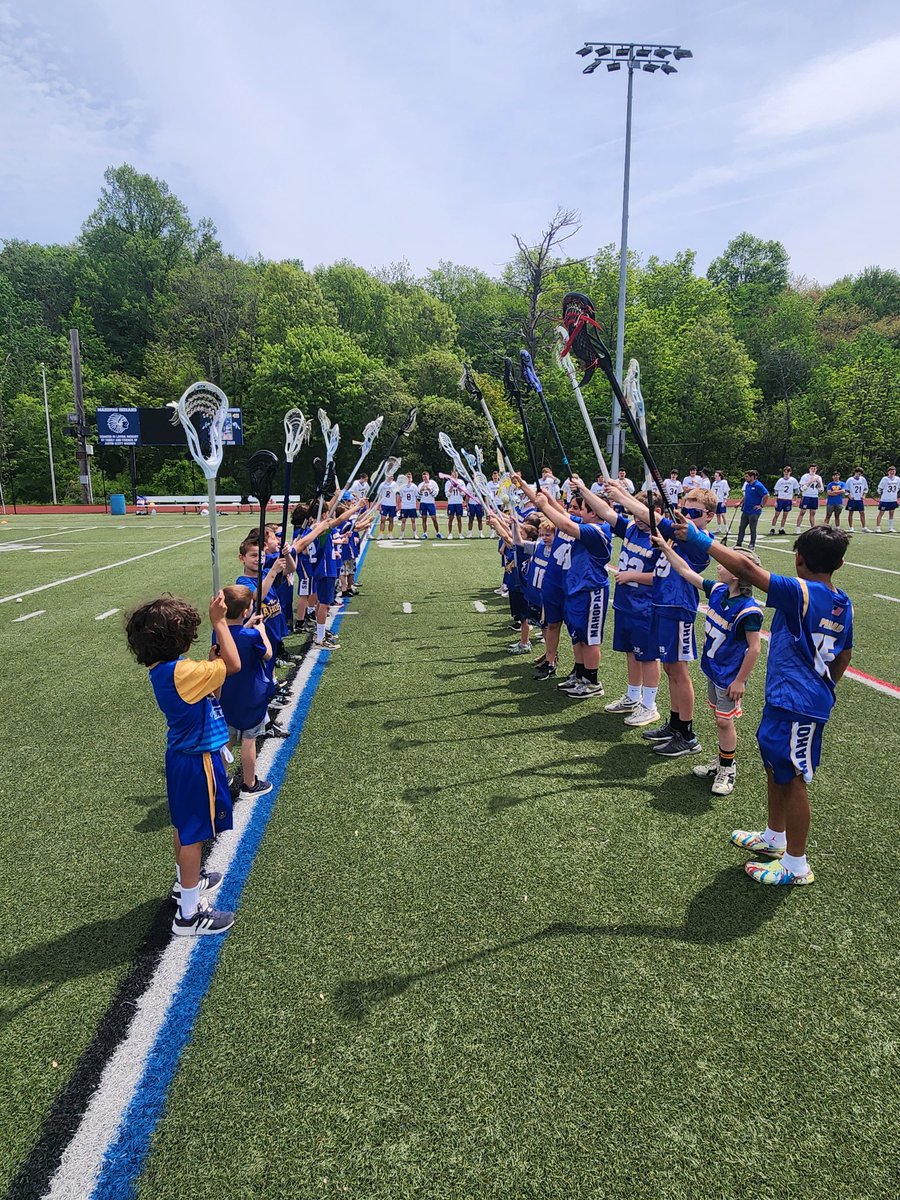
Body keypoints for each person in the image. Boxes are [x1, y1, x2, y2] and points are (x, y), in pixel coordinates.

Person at [675, 521, 853, 885]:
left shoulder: (802, 591)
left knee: (795, 778)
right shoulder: (840, 601)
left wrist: (697, 538)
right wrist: (827, 684)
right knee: (777, 769)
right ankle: (775, 837)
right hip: (788, 699)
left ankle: (797, 863)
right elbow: (844, 652)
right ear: (840, 563)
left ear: (798, 558)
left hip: (798, 704)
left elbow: (747, 570)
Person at [125, 592, 241, 935]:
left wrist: (209, 663)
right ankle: (188, 916)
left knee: (183, 828)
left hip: (182, 759)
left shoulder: (165, 670)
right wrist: (220, 622)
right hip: (196, 763)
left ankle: (186, 883)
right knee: (193, 836)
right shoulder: (183, 672)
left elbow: (211, 695)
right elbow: (234, 665)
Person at [609, 480, 717, 757]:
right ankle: (676, 723)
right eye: (683, 510)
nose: (686, 517)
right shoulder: (676, 532)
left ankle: (688, 735)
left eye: (694, 513)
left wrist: (621, 494)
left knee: (679, 672)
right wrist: (619, 494)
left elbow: (649, 514)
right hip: (660, 605)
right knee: (670, 670)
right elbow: (647, 515)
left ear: (709, 516)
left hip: (677, 608)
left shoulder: (698, 542)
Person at [651, 539, 763, 795]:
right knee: (719, 719)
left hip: (728, 676)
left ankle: (728, 768)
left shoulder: (748, 609)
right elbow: (686, 572)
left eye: (724, 563)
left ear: (737, 574)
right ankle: (723, 759)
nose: (718, 566)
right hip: (714, 669)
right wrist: (667, 549)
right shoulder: (719, 591)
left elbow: (754, 648)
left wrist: (740, 680)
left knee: (724, 722)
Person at [520, 473, 612, 699]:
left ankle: (592, 681)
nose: (574, 511)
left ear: (592, 511)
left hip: (591, 590)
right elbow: (555, 509)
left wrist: (545, 505)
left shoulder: (598, 530)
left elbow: (563, 523)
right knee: (578, 635)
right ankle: (580, 674)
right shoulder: (585, 523)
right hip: (576, 589)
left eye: (578, 508)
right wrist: (537, 495)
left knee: (589, 639)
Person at [597, 490, 662, 728]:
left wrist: (634, 575)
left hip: (645, 605)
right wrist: (582, 488)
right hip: (626, 602)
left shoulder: (659, 537)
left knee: (647, 656)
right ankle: (633, 696)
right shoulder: (632, 529)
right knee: (631, 652)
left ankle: (650, 705)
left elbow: (664, 577)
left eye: (641, 514)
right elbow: (605, 511)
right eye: (633, 514)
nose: (636, 519)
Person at [216, 585, 275, 801]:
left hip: (227, 695)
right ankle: (249, 784)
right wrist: (262, 632)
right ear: (245, 612)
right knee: (250, 738)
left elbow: (233, 638)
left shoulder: (218, 632)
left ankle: (219, 779)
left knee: (227, 740)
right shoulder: (252, 635)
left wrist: (248, 628)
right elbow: (267, 654)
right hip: (251, 696)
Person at [736, 469, 769, 550]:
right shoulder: (747, 485)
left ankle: (752, 544)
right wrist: (740, 503)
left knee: (752, 528)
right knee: (741, 527)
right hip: (746, 510)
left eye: (747, 476)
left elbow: (766, 495)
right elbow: (746, 496)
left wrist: (761, 505)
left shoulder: (758, 485)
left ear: (752, 477)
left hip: (754, 511)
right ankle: (738, 543)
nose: (745, 478)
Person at [769, 467, 800, 535]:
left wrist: (795, 500)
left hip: (788, 500)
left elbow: (797, 490)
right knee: (776, 514)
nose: (786, 473)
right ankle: (772, 528)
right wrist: (775, 501)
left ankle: (781, 528)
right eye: (785, 471)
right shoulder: (780, 480)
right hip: (780, 499)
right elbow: (776, 491)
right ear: (783, 472)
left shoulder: (793, 480)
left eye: (788, 471)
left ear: (790, 472)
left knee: (785, 515)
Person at [795, 465, 823, 531]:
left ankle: (813, 528)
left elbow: (821, 490)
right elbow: (802, 488)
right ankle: (798, 528)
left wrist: (818, 482)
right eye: (812, 468)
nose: (813, 470)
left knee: (813, 513)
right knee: (802, 512)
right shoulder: (805, 476)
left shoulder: (818, 477)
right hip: (806, 496)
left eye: (815, 468)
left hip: (814, 496)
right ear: (809, 469)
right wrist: (810, 481)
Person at [418, 471, 441, 539]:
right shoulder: (420, 484)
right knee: (424, 518)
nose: (424, 478)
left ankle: (438, 533)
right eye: (423, 477)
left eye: (425, 477)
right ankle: (425, 533)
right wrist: (421, 491)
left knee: (434, 518)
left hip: (431, 503)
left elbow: (435, 494)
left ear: (428, 476)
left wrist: (429, 490)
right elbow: (418, 497)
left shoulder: (433, 483)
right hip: (423, 503)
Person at [875, 465, 898, 532]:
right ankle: (878, 528)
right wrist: (880, 493)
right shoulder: (885, 479)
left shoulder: (897, 479)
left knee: (891, 513)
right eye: (891, 471)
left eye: (893, 471)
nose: (892, 472)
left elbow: (898, 488)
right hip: (885, 499)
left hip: (893, 499)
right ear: (888, 472)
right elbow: (880, 488)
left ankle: (891, 527)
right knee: (881, 513)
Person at [376, 472, 399, 538]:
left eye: (392, 476)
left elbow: (397, 495)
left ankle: (390, 533)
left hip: (392, 504)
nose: (390, 477)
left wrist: (397, 505)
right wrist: (379, 505)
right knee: (382, 519)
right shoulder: (382, 484)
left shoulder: (395, 484)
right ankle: (381, 533)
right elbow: (379, 495)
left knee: (391, 520)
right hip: (384, 504)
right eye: (389, 476)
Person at [396, 474, 419, 540]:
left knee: (413, 520)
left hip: (412, 506)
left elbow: (417, 497)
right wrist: (398, 506)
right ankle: (402, 535)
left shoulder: (414, 486)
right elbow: (400, 497)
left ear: (412, 478)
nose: (409, 479)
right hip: (405, 506)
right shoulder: (402, 487)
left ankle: (415, 534)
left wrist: (417, 507)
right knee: (403, 520)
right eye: (407, 478)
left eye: (410, 477)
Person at [444, 470, 465, 539]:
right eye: (453, 475)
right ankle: (450, 534)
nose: (454, 476)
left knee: (459, 518)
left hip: (459, 502)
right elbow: (447, 495)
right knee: (450, 518)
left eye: (456, 475)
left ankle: (460, 534)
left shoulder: (461, 482)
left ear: (458, 475)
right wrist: (451, 487)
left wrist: (459, 488)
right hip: (451, 503)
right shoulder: (448, 483)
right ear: (451, 475)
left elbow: (463, 494)